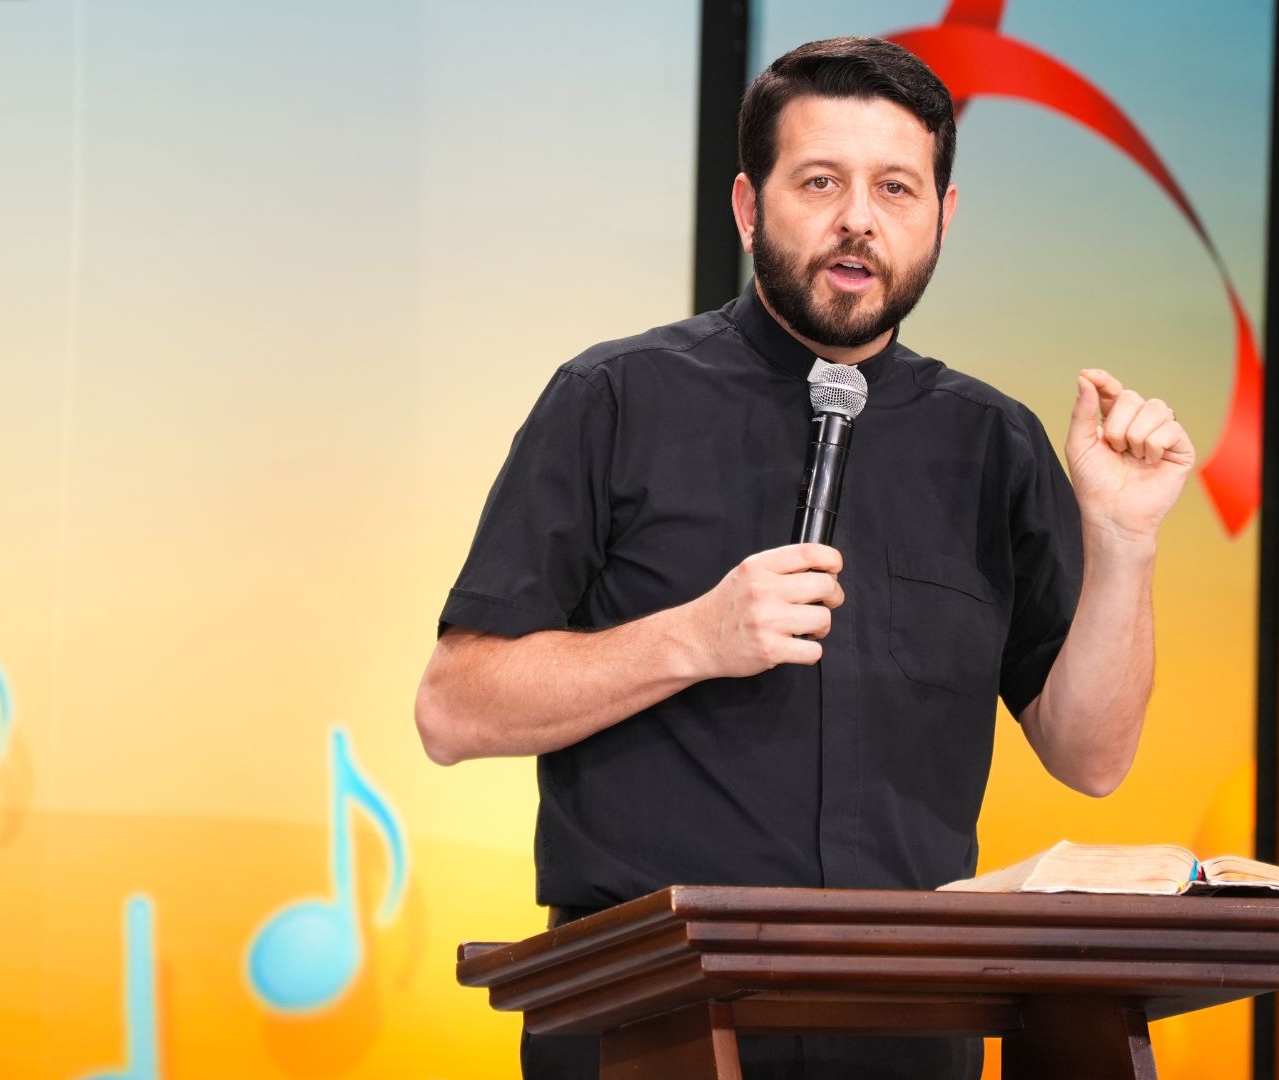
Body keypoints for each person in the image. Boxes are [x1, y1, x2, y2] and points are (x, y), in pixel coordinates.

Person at [415, 36, 1193, 1080]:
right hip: (648, 1018)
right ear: (749, 207)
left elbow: (1090, 757)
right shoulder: (615, 399)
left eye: (896, 188)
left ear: (943, 217)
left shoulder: (993, 443)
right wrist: (695, 638)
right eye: (820, 181)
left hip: (908, 1024)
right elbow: (455, 709)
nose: (859, 219)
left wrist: (1126, 541)